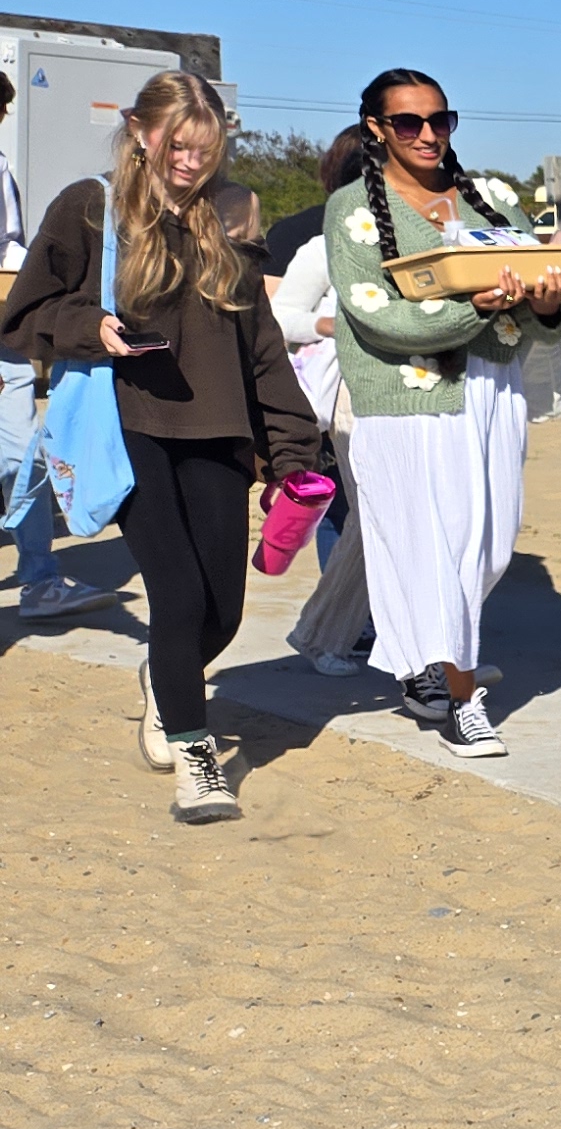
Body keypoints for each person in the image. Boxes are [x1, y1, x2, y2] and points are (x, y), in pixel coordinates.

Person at [0, 72, 324, 821]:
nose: (188, 161)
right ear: (141, 132)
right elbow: (26, 314)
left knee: (223, 611)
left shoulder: (233, 212)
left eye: (203, 149)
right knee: (175, 596)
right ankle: (195, 753)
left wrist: (292, 446)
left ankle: (165, 681)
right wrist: (93, 329)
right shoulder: (91, 207)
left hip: (219, 433)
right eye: (175, 145)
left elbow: (262, 346)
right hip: (127, 427)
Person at [319, 68, 561, 756]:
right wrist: (470, 307)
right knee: (436, 546)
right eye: (408, 123)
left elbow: (542, 296)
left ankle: (430, 659)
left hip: (494, 385)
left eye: (440, 120)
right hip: (411, 393)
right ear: (376, 129)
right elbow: (378, 318)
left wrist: (545, 299)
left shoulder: (487, 195)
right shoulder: (351, 209)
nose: (427, 134)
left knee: (489, 545)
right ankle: (458, 697)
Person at [268, 126, 376, 670]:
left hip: (404, 396)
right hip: (337, 402)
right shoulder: (318, 242)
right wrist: (329, 323)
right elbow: (281, 315)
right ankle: (338, 630)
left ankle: (362, 626)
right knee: (348, 512)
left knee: (368, 514)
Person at [0, 61, 102, 622]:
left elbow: (12, 248)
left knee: (22, 457)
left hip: (4, 339)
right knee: (18, 457)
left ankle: (38, 578)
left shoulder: (0, 168)